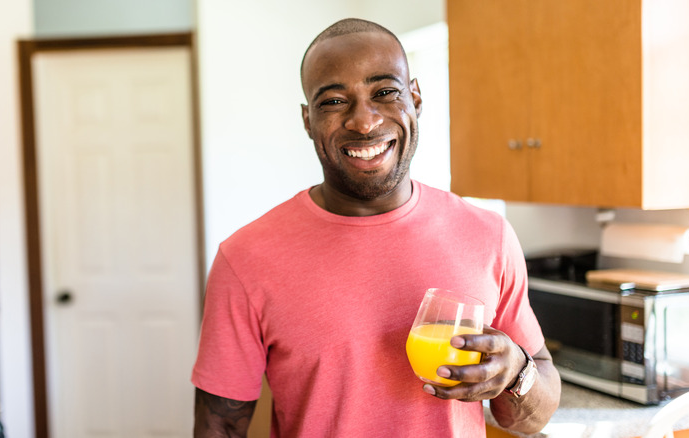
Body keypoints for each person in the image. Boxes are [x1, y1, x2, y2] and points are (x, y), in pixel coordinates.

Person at [192, 18, 561, 438]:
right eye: (333, 101)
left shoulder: (488, 235)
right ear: (307, 120)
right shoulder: (246, 258)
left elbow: (533, 414)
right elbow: (218, 427)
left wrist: (516, 370)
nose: (364, 122)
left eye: (384, 93)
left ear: (415, 97)